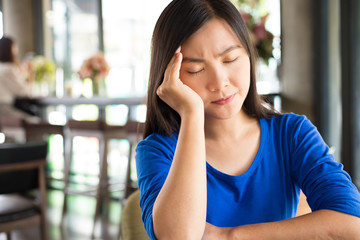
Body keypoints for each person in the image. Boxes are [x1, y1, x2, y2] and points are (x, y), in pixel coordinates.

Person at [135, 0, 360, 239]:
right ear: (169, 77)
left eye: (230, 59)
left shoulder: (292, 134)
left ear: (249, 56)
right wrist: (191, 113)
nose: (220, 82)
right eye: (196, 70)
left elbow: (352, 225)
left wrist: (230, 236)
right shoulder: (157, 151)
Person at [0, 36, 32, 119]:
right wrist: (30, 76)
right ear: (10, 49)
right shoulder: (8, 69)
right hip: (4, 110)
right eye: (15, 46)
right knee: (34, 121)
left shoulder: (3, 67)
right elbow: (24, 92)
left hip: (4, 110)